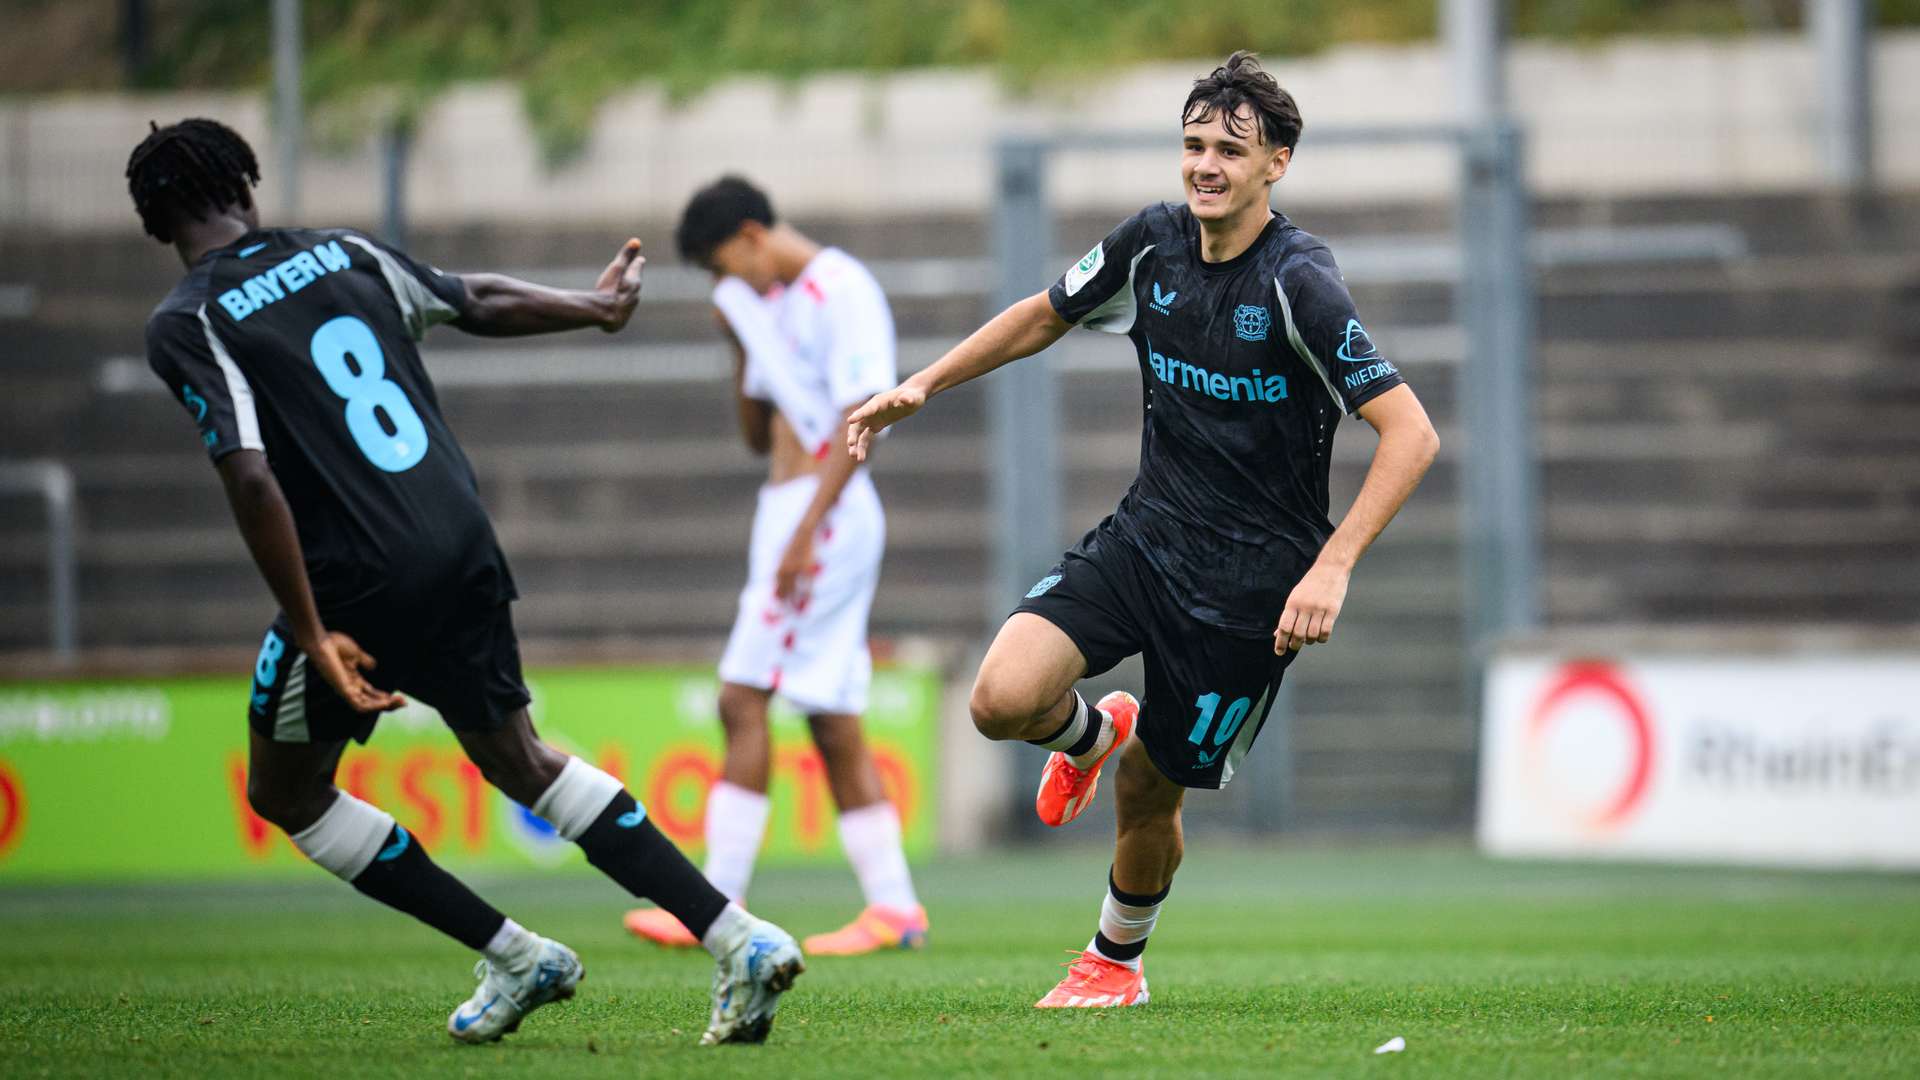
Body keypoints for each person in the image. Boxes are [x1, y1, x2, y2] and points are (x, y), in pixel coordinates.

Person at [127, 118, 803, 1046]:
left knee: (286, 794)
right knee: (517, 757)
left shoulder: (189, 320)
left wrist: (311, 628)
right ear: (245, 185)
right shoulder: (343, 250)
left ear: (155, 222)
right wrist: (593, 307)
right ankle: (739, 938)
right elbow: (468, 297)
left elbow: (250, 475)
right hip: (459, 538)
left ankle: (516, 953)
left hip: (354, 580)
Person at [846, 53, 1440, 1007]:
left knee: (1149, 793)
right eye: (1194, 144)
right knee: (1000, 698)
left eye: (1230, 150)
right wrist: (922, 382)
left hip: (1252, 587)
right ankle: (1089, 734)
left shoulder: (1300, 284)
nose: (1205, 165)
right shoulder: (1151, 247)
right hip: (1146, 538)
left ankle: (1113, 963)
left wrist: (1329, 571)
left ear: (1276, 164)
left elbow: (1411, 433)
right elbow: (1043, 315)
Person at [623, 177, 927, 956]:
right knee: (828, 718)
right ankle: (893, 908)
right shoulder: (772, 305)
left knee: (741, 695)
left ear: (754, 234)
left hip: (821, 520)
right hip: (788, 514)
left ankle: (716, 903)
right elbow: (762, 438)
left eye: (726, 264)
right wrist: (737, 347)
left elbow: (865, 420)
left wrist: (806, 533)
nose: (728, 282)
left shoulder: (842, 288)